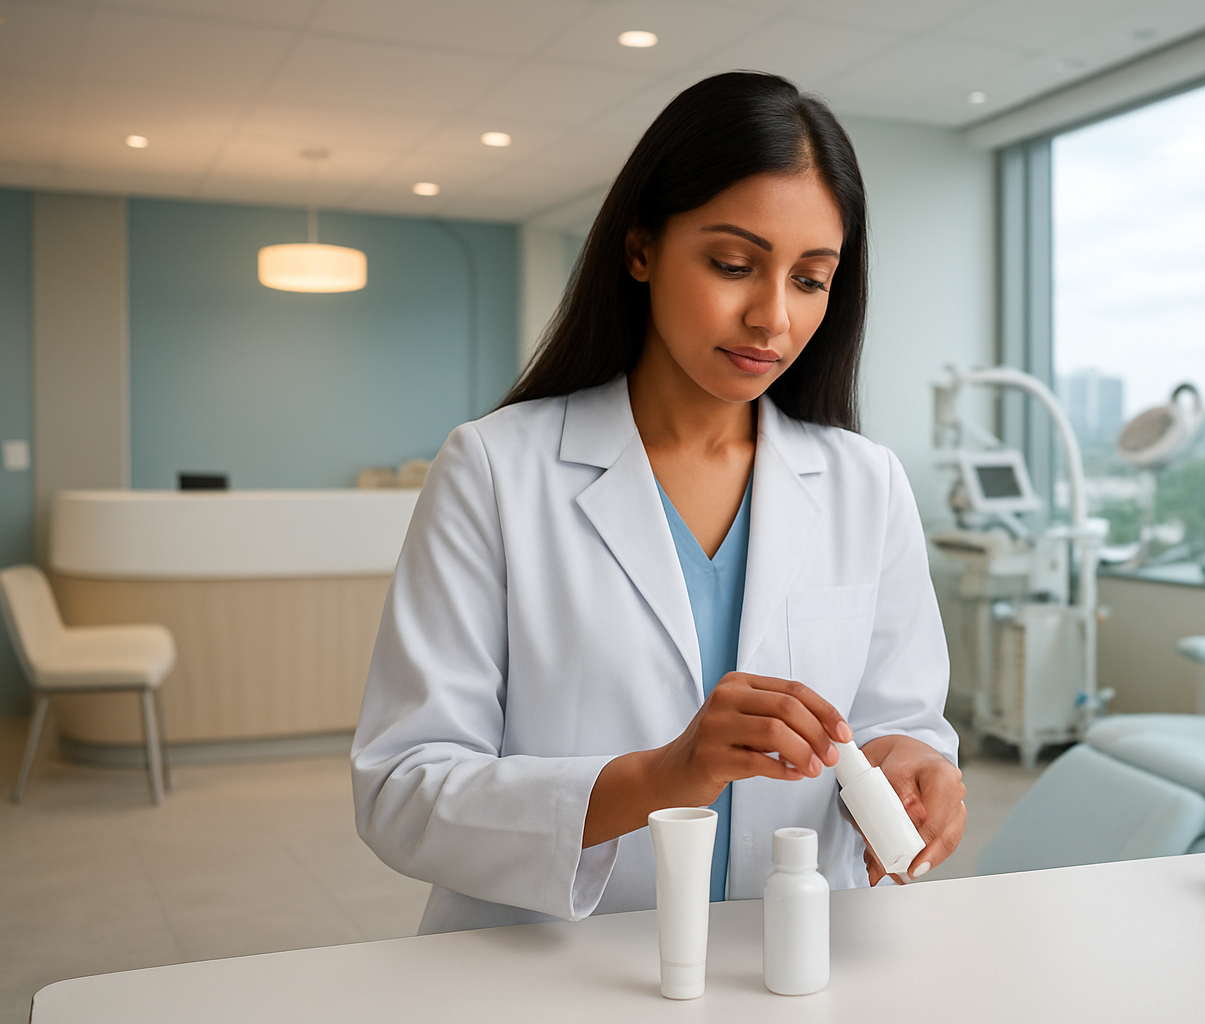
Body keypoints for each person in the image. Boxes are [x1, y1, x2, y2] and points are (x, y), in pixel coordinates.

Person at [351, 71, 964, 935]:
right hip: (552, 971)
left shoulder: (868, 484)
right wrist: (660, 778)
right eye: (732, 265)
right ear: (640, 249)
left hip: (791, 961)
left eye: (810, 279)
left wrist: (914, 764)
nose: (771, 318)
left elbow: (901, 722)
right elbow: (401, 788)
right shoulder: (494, 469)